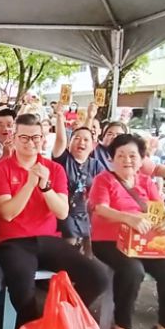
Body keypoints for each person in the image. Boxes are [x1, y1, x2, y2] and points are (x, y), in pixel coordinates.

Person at [0, 114, 110, 327]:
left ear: (43, 138)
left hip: (48, 239)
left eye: (36, 137)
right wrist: (29, 183)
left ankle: (56, 320)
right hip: (12, 242)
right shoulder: (0, 169)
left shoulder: (54, 169)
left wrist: (45, 186)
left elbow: (62, 212)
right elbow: (8, 213)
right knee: (23, 289)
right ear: (14, 139)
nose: (30, 143)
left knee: (98, 277)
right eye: (24, 138)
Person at [88, 133, 165, 329]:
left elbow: (161, 211)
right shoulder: (104, 180)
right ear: (112, 159)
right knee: (132, 271)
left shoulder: (145, 182)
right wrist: (127, 218)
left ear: (142, 159)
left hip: (145, 243)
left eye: (133, 155)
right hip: (109, 241)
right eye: (120, 155)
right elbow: (100, 208)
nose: (127, 160)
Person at [51, 108, 108, 255]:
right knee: (69, 253)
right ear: (69, 143)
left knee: (90, 255)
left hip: (87, 217)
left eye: (86, 140)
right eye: (76, 138)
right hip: (65, 216)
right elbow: (60, 139)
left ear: (92, 145)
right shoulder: (63, 160)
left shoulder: (96, 165)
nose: (81, 142)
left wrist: (90, 117)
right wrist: (59, 116)